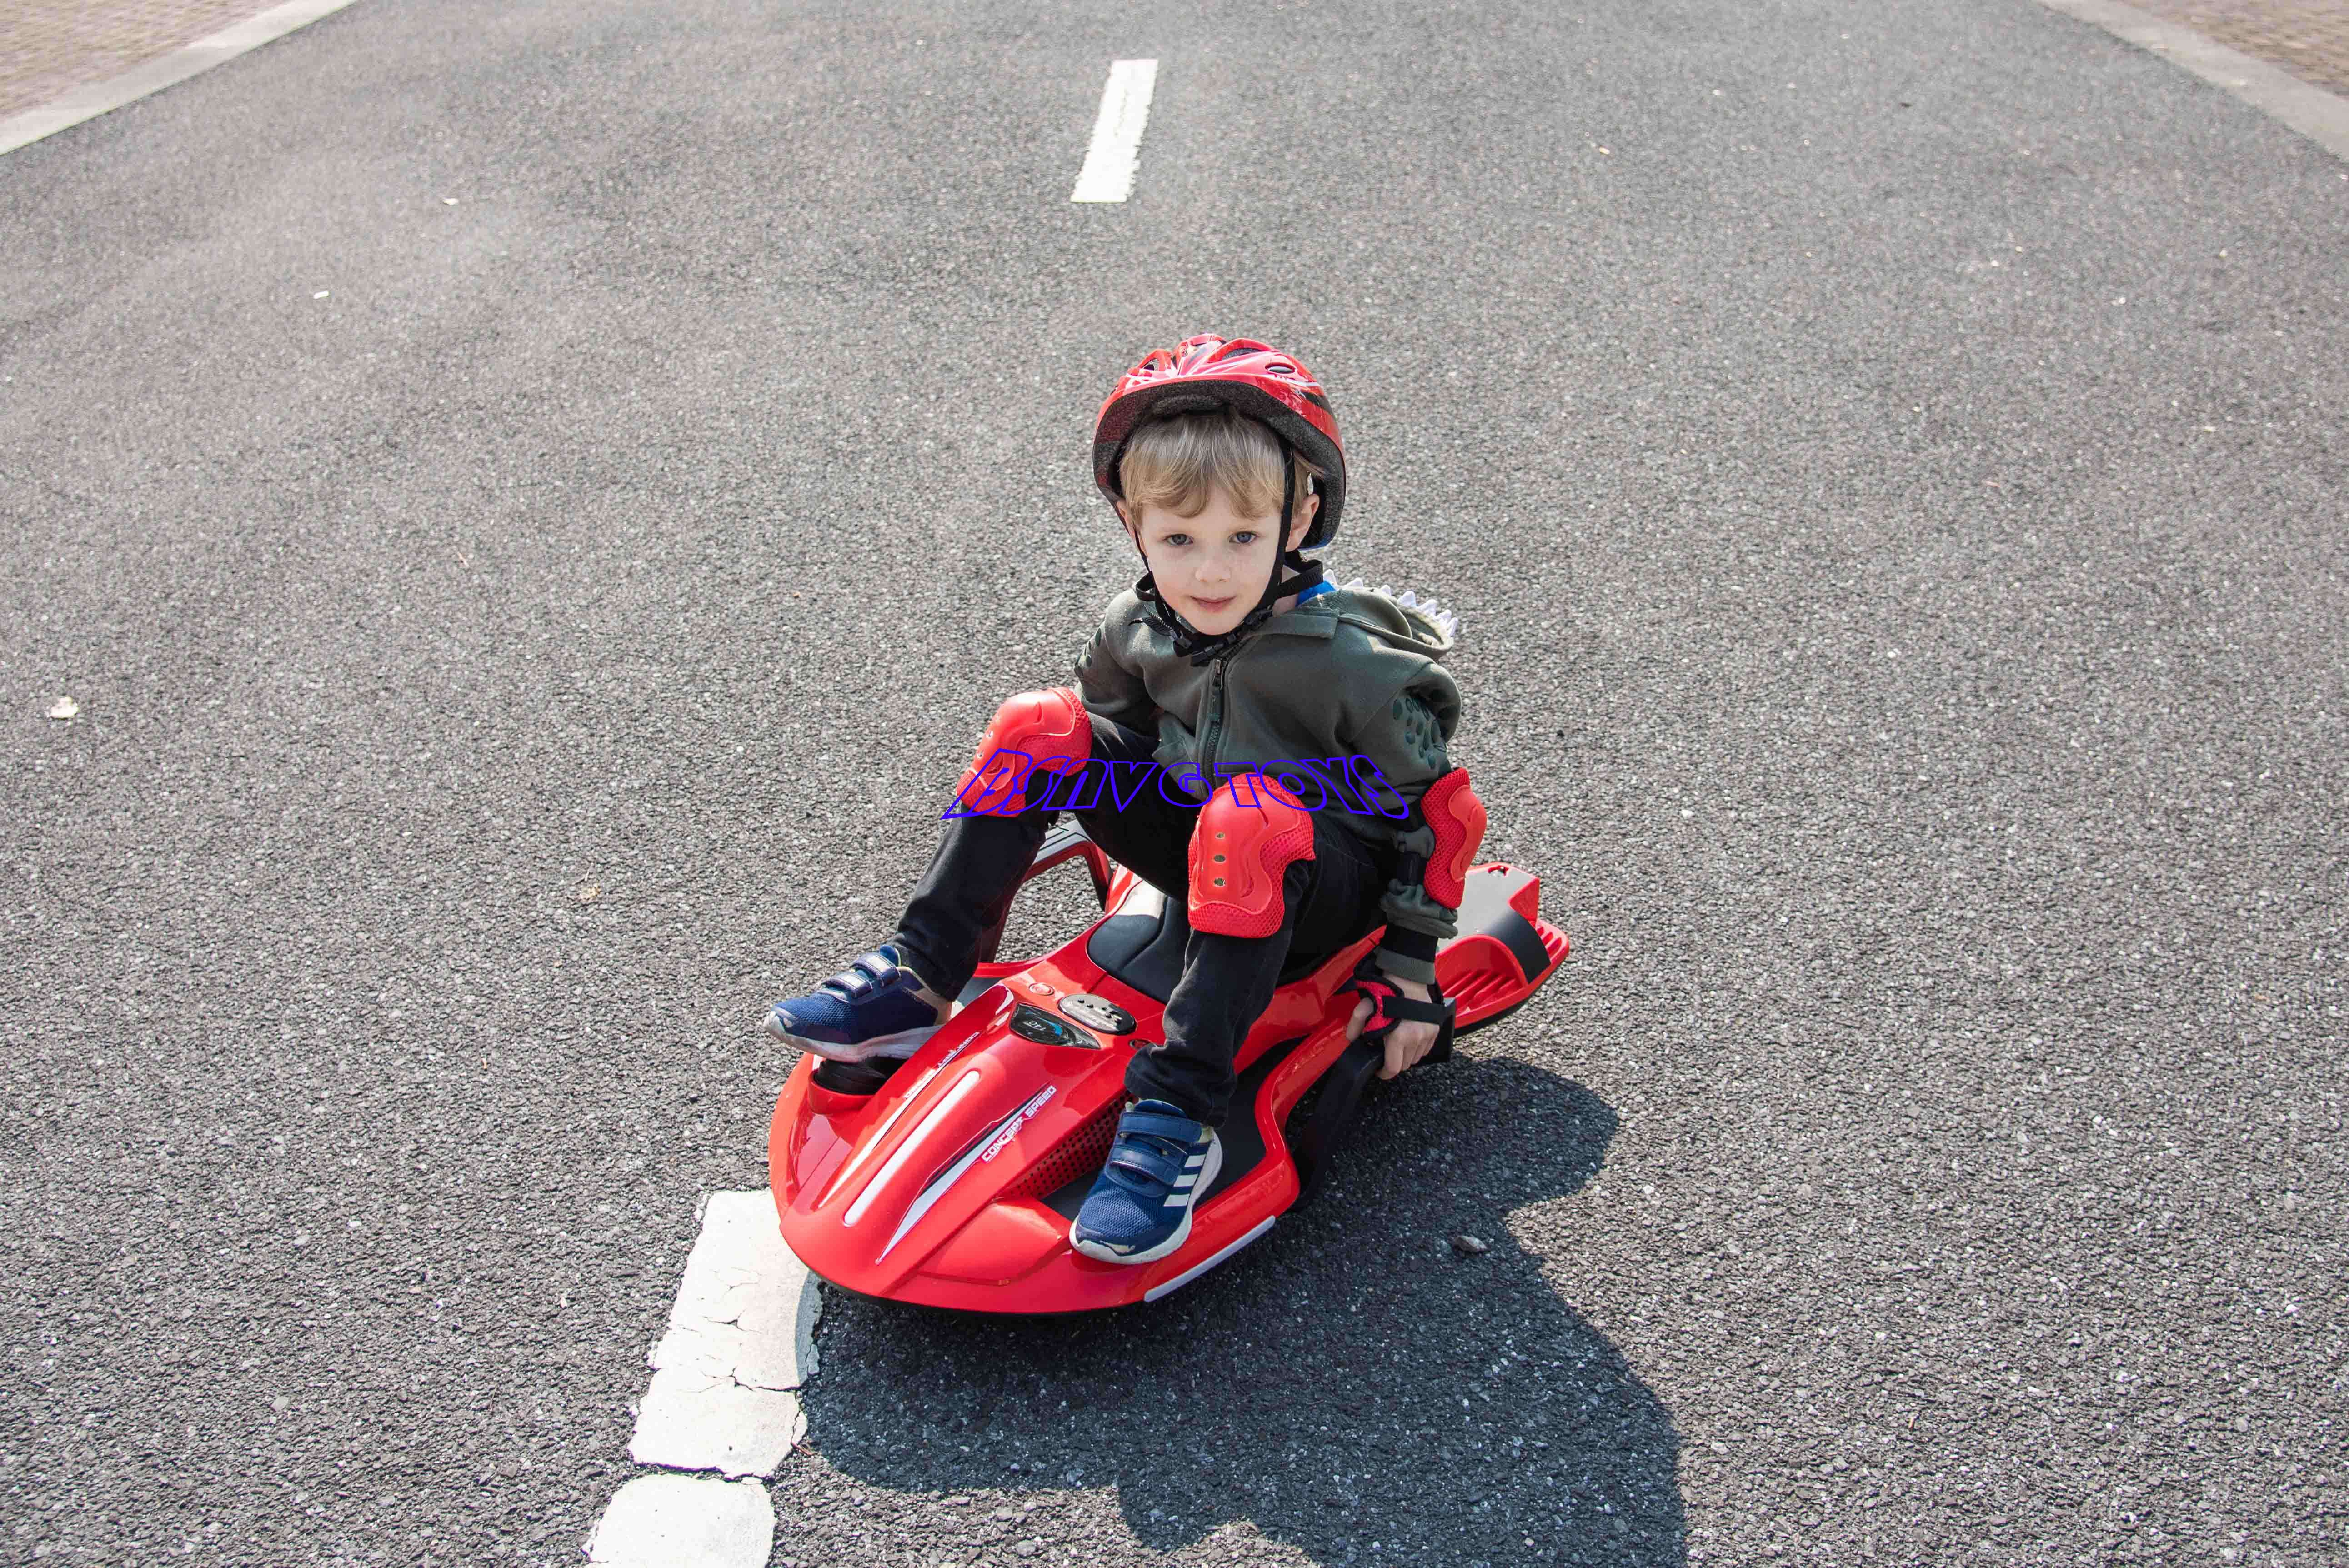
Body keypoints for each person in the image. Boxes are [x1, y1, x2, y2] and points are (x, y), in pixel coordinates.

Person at [762, 334, 1486, 1265]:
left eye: (1242, 538)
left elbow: (1442, 815)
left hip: (1323, 884)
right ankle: (918, 976)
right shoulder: (1137, 627)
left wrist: (1410, 971)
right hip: (1211, 845)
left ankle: (1178, 1112)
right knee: (1038, 724)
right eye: (1179, 540)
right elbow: (1104, 739)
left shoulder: (1357, 664)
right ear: (1131, 522)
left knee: (1252, 816)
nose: (1210, 573)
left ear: (1300, 516)